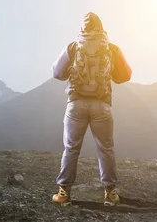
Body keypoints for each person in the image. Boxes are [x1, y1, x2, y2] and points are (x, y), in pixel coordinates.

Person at [51, 12, 132, 207]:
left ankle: (64, 194)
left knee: (71, 148)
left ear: (82, 28)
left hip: (76, 104)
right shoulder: (111, 48)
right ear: (101, 28)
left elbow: (56, 73)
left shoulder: (72, 46)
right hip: (102, 106)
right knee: (106, 149)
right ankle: (110, 193)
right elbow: (125, 75)